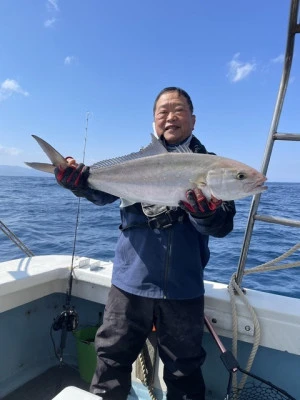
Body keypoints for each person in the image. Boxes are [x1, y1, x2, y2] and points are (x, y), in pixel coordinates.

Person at [55, 87, 236, 400]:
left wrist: (207, 215)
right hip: (130, 284)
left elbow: (222, 225)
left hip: (184, 287)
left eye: (177, 110)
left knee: (185, 370)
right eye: (162, 112)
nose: (169, 117)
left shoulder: (214, 167)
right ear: (154, 122)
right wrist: (80, 184)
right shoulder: (137, 163)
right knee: (110, 361)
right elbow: (101, 193)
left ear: (193, 120)